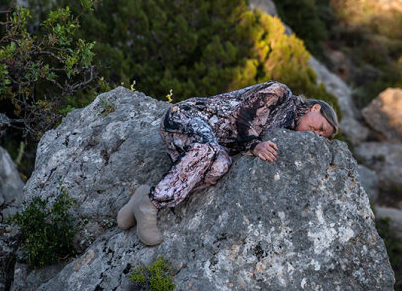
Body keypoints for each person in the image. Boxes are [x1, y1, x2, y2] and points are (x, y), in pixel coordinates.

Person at [116, 81, 339, 246]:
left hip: (201, 145)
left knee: (220, 166)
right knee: (207, 149)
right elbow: (243, 115)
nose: (317, 134)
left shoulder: (286, 130)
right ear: (315, 108)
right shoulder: (281, 93)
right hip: (186, 118)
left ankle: (146, 195)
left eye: (322, 136)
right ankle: (150, 205)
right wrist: (254, 145)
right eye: (321, 127)